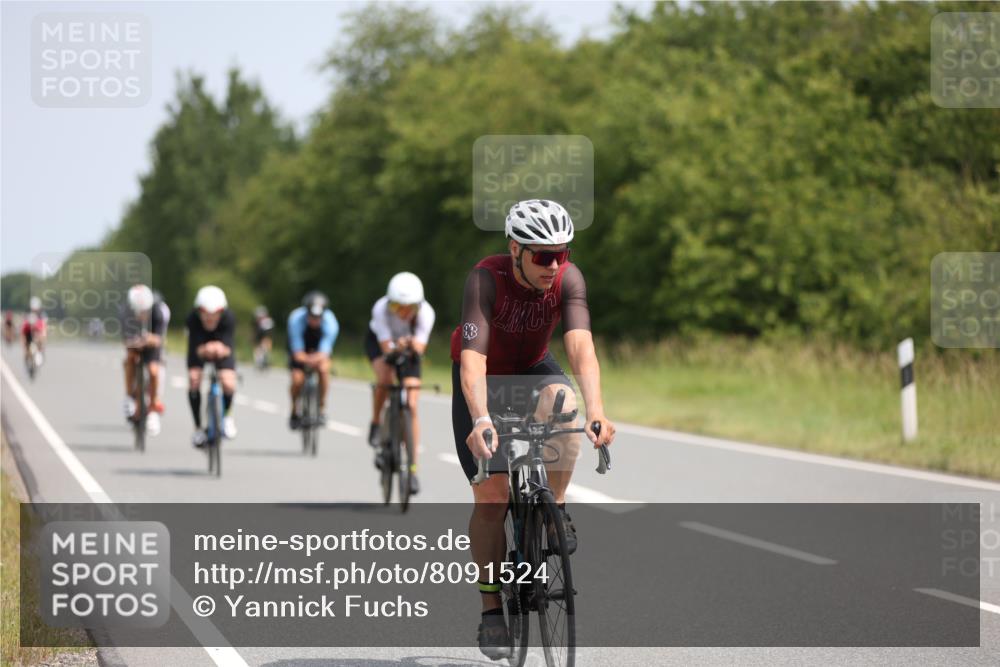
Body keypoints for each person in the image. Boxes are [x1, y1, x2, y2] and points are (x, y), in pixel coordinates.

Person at [451, 199, 616, 659]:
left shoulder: (568, 279)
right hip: (484, 378)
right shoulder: (486, 279)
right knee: (492, 496)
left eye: (561, 253)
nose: (554, 264)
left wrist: (597, 408)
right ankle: (490, 611)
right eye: (543, 255)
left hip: (531, 368)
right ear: (516, 249)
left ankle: (555, 508)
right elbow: (472, 361)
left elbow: (581, 346)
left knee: (564, 403)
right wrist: (482, 418)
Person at [365, 272, 435, 494]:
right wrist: (400, 345)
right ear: (389, 303)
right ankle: (376, 423)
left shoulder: (426, 313)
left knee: (412, 403)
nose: (403, 313)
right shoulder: (379, 309)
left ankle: (412, 470)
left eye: (409, 308)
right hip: (380, 343)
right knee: (385, 379)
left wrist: (409, 344)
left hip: (409, 348)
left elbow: (420, 348)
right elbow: (386, 348)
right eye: (397, 307)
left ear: (419, 305)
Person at [185, 285, 238, 447]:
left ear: (221, 313)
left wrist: (220, 348)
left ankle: (227, 416)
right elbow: (197, 348)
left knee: (228, 382)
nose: (210, 320)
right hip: (199, 348)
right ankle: (198, 428)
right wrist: (206, 349)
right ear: (199, 312)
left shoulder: (229, 318)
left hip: (222, 349)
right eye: (205, 316)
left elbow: (228, 347)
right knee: (194, 380)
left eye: (214, 316)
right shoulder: (192, 320)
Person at [287, 291, 339, 429]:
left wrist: (316, 359)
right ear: (306, 313)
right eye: (311, 317)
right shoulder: (295, 320)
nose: (314, 320)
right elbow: (297, 352)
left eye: (318, 317)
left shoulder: (331, 322)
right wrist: (305, 358)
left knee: (324, 369)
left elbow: (325, 350)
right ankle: (294, 409)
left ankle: (322, 407)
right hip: (301, 346)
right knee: (297, 379)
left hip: (319, 348)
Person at [120, 285, 167, 436]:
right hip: (135, 342)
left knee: (154, 371)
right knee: (129, 361)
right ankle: (129, 397)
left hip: (151, 344)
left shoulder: (159, 311)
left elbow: (159, 339)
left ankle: (152, 409)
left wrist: (148, 340)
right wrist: (136, 342)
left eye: (145, 312)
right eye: (139, 312)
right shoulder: (125, 312)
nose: (142, 315)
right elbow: (126, 340)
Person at [21, 297, 47, 367]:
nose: (35, 310)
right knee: (25, 342)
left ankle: (40, 351)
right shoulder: (27, 312)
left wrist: (43, 333)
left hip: (37, 330)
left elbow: (44, 324)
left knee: (42, 336)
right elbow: (23, 324)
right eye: (33, 308)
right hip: (28, 330)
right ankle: (26, 354)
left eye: (36, 309)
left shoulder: (42, 313)